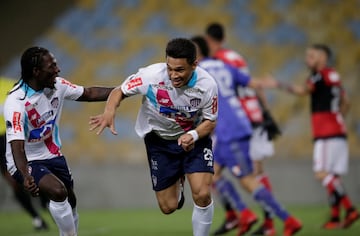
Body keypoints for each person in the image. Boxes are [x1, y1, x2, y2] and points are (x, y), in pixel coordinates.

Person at [89, 38, 218, 236]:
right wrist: (109, 111)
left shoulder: (207, 85)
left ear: (194, 65)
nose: (173, 75)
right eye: (170, 69)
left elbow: (210, 121)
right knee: (168, 207)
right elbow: (119, 90)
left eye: (180, 70)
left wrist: (192, 134)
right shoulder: (150, 76)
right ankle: (179, 181)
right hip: (160, 142)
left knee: (202, 194)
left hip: (194, 140)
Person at [191, 35, 302, 236]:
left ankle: (288, 219)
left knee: (248, 180)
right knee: (211, 176)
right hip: (234, 126)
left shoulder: (199, 72)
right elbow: (253, 83)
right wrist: (276, 84)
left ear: (196, 53)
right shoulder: (223, 66)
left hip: (230, 130)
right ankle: (243, 213)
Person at [4, 47, 114, 236]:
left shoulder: (58, 86)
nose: (57, 69)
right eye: (52, 66)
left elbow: (89, 93)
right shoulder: (16, 102)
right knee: (58, 192)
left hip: (53, 153)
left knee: (71, 201)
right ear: (36, 72)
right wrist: (25, 175)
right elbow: (17, 146)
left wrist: (124, 91)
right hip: (25, 160)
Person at [205, 23, 281, 236]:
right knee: (216, 170)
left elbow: (228, 93)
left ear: (208, 41)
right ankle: (241, 217)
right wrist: (265, 111)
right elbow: (252, 84)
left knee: (244, 173)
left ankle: (265, 222)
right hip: (251, 116)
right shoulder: (235, 56)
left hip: (238, 122)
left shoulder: (217, 62)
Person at [276, 44, 359, 229]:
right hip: (339, 131)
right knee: (333, 176)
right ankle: (336, 217)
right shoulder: (334, 76)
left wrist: (278, 84)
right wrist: (337, 118)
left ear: (322, 57)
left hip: (326, 133)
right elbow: (346, 102)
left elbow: (302, 91)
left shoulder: (319, 75)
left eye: (311, 56)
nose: (307, 60)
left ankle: (350, 209)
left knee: (322, 173)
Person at [1, 76, 49, 231]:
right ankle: (36, 218)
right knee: (14, 182)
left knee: (27, 174)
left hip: (10, 137)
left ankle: (45, 200)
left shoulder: (9, 85)